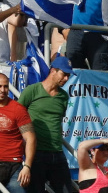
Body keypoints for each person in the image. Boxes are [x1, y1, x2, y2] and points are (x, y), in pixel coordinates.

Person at [19, 57, 71, 193]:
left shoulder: (64, 97)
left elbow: (58, 122)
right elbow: (16, 117)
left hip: (57, 153)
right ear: (53, 71)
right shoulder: (32, 90)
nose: (66, 79)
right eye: (64, 74)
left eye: (68, 76)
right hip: (36, 154)